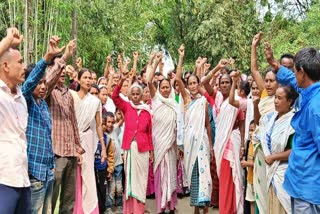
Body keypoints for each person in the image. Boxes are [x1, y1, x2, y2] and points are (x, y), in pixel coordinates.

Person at [265, 45, 320, 213]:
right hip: (299, 183)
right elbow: (291, 80)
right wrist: (276, 65)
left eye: (294, 71)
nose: (293, 75)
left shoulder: (316, 108)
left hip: (308, 187)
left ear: (302, 72)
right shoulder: (308, 92)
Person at [22, 36, 66, 214]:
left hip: (47, 172)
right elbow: (29, 84)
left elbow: (47, 138)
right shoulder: (26, 102)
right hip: (34, 174)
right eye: (39, 83)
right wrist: (47, 58)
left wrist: (51, 165)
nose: (42, 86)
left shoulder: (43, 106)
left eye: (44, 83)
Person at [46, 41, 85, 214]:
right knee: (51, 199)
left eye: (64, 69)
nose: (62, 72)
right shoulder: (47, 91)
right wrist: (65, 56)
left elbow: (73, 122)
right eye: (59, 69)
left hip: (71, 153)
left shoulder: (68, 94)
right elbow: (48, 80)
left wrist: (78, 147)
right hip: (56, 153)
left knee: (68, 202)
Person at [176, 45, 213, 214]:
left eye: (194, 83)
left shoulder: (203, 102)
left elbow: (206, 125)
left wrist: (211, 146)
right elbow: (177, 78)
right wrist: (181, 57)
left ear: (198, 84)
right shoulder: (185, 100)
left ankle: (204, 208)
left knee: (204, 175)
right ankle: (196, 209)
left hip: (202, 143)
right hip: (190, 144)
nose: (191, 86)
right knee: (193, 174)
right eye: (189, 84)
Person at [112, 71, 153, 214]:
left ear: (142, 96)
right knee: (130, 180)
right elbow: (114, 96)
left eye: (138, 94)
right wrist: (122, 79)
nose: (135, 96)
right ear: (130, 95)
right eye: (133, 94)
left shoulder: (147, 111)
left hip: (143, 151)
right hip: (129, 149)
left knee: (141, 182)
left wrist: (151, 151)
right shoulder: (126, 106)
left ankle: (139, 210)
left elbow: (149, 134)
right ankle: (129, 210)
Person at [0, 27, 30, 213]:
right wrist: (7, 41)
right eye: (19, 62)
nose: (24, 66)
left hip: (22, 179)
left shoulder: (21, 98)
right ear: (5, 66)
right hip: (3, 180)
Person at [71, 68, 107, 214]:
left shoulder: (95, 101)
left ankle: (90, 210)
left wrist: (103, 146)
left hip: (87, 140)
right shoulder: (71, 96)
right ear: (78, 80)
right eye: (84, 78)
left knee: (88, 176)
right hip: (73, 140)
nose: (87, 80)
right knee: (74, 177)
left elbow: (98, 125)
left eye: (89, 78)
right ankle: (75, 209)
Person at [250, 32, 278, 214]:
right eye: (266, 81)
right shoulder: (264, 95)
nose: (267, 84)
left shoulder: (284, 99)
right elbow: (254, 70)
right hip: (259, 147)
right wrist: (254, 46)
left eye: (271, 81)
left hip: (274, 148)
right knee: (258, 188)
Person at [148, 52, 178, 214]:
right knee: (160, 175)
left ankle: (171, 205)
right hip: (159, 143)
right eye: (163, 87)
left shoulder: (174, 103)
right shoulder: (156, 100)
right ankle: (161, 206)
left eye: (168, 87)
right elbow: (148, 81)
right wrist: (156, 62)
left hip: (171, 145)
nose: (166, 89)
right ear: (159, 89)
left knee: (171, 173)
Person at [262, 86, 298, 214]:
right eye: (275, 98)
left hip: (284, 173)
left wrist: (273, 157)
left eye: (280, 98)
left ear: (289, 101)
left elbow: (294, 150)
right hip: (272, 171)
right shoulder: (271, 119)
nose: (275, 101)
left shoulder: (293, 122)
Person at [214, 72, 245, 214]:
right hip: (221, 144)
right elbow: (204, 83)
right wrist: (217, 68)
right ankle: (226, 210)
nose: (225, 85)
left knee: (234, 179)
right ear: (219, 86)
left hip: (233, 142)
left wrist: (242, 145)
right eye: (223, 83)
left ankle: (233, 209)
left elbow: (242, 123)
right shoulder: (217, 99)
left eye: (228, 82)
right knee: (225, 181)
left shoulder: (237, 100)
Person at [94, 112, 115, 214]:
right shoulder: (93, 137)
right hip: (93, 168)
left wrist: (110, 170)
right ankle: (96, 209)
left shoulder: (108, 139)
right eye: (101, 124)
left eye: (104, 124)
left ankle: (102, 209)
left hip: (103, 168)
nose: (103, 127)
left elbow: (110, 156)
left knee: (103, 189)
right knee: (95, 189)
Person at [104, 112, 124, 214]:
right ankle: (109, 206)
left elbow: (122, 120)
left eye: (112, 122)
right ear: (104, 122)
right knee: (111, 188)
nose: (110, 124)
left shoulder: (115, 129)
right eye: (108, 122)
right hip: (109, 166)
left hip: (119, 164)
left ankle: (120, 204)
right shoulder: (103, 134)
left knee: (119, 186)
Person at [241, 121, 256, 214]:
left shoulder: (259, 145)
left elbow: (261, 164)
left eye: (253, 130)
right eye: (249, 130)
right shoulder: (249, 143)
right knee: (251, 202)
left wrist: (247, 164)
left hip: (257, 179)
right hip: (250, 178)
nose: (251, 133)